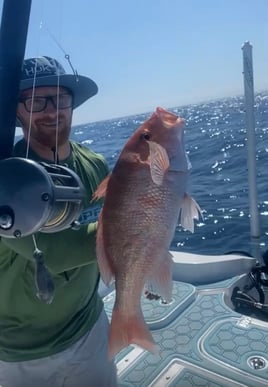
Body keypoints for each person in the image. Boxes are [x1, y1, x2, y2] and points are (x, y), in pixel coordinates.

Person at [0, 56, 118, 386]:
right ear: (17, 110)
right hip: (20, 353)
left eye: (60, 99)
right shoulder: (7, 178)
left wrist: (137, 268)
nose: (52, 111)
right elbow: (56, 254)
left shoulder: (94, 164)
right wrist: (137, 223)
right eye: (36, 101)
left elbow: (108, 237)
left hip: (88, 327)